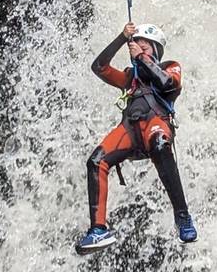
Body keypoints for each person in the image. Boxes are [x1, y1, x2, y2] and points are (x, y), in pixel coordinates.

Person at [76, 22, 198, 254]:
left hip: (156, 124)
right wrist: (122, 37)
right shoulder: (129, 77)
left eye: (145, 45)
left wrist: (141, 57)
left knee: (161, 145)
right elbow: (99, 67)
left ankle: (182, 216)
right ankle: (98, 230)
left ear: (155, 50)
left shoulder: (171, 66)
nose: (138, 47)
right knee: (95, 161)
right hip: (130, 130)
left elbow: (167, 83)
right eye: (136, 44)